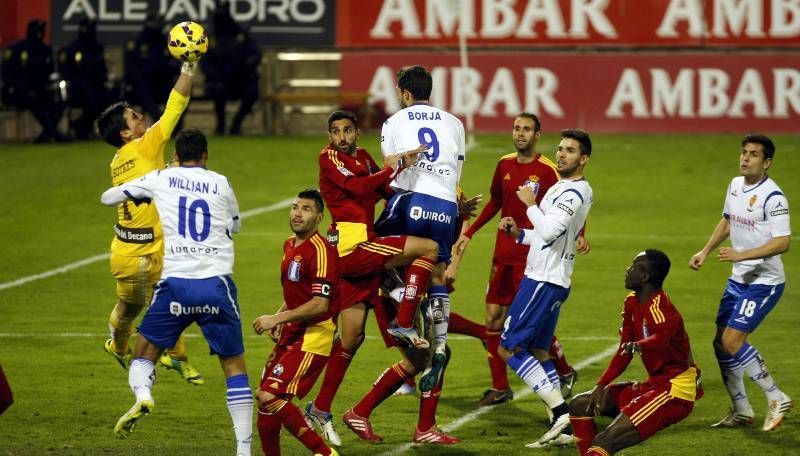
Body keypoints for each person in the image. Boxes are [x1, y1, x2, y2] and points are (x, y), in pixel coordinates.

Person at [305, 110, 455, 446]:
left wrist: (438, 197)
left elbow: (383, 189)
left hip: (364, 253)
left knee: (355, 339)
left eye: (347, 131)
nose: (342, 137)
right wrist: (394, 165)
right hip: (351, 248)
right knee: (429, 249)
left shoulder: (363, 156)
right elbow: (360, 187)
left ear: (357, 132)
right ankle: (403, 320)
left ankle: (326, 408)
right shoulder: (328, 157)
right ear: (329, 136)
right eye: (335, 131)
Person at [100, 129, 252, 456]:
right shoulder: (221, 182)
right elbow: (236, 225)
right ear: (206, 155)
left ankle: (143, 397)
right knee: (233, 366)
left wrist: (138, 191)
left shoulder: (161, 178)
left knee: (142, 354)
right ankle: (243, 449)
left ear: (177, 156)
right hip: (216, 285)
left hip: (175, 287)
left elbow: (107, 198)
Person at [450, 112, 582, 406]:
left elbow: (567, 205)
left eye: (527, 130)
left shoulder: (548, 170)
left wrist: (581, 233)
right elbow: (496, 201)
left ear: (537, 136)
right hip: (503, 255)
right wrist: (469, 231)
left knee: (529, 322)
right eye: (517, 128)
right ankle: (501, 387)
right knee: (493, 319)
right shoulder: (504, 164)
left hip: (533, 258)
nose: (520, 134)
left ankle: (563, 370)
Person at [96, 58, 202, 384]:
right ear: (126, 133)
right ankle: (120, 346)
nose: (141, 115)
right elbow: (175, 105)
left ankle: (177, 356)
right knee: (134, 310)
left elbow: (149, 182)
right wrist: (188, 68)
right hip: (137, 256)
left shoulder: (120, 159)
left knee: (177, 296)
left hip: (149, 245)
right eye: (133, 116)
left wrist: (167, 174)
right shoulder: (144, 145)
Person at [689, 134, 792, 431]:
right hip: (738, 279)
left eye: (754, 154)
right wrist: (705, 251)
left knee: (733, 341)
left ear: (767, 162)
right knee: (721, 343)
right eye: (744, 153)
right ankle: (741, 410)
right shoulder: (735, 185)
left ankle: (776, 397)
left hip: (764, 281)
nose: (746, 158)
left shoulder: (773, 197)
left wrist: (742, 253)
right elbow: (728, 220)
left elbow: (783, 242)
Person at [497, 129, 593, 446]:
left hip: (543, 281)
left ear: (584, 159)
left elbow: (550, 231)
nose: (562, 154)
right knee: (539, 350)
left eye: (571, 150)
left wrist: (528, 204)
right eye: (561, 148)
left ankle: (561, 411)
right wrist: (519, 234)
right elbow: (545, 236)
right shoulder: (564, 188)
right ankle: (562, 426)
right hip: (551, 279)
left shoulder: (574, 193)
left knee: (508, 347)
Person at [375, 64, 465, 385]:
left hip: (413, 200)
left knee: (370, 254)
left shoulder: (392, 122)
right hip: (446, 204)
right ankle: (440, 344)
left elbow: (391, 168)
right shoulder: (455, 123)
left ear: (405, 93)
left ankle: (403, 305)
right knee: (436, 272)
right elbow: (457, 171)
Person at [569, 250, 703, 455]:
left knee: (604, 441)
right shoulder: (632, 302)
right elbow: (624, 351)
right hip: (654, 384)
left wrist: (641, 344)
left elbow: (661, 338)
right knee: (581, 404)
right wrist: (600, 385)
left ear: (645, 277)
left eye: (633, 267)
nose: (627, 270)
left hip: (674, 391)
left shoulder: (661, 308)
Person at [252, 189, 339, 456]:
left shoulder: (321, 251)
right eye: (294, 207)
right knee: (265, 401)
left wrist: (276, 318)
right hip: (291, 333)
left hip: (314, 336)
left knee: (270, 396)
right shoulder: (289, 245)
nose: (297, 213)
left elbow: (320, 303)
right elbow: (296, 291)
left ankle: (324, 453)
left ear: (319, 217)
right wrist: (281, 314)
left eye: (306, 209)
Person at [1, 19, 68, 143]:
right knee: (32, 99)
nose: (40, 34)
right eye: (38, 30)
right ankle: (53, 132)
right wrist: (17, 86)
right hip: (20, 92)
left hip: (41, 90)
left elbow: (50, 73)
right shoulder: (18, 49)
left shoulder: (45, 50)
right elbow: (7, 73)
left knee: (61, 100)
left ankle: (47, 133)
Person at [201, 0, 260, 135]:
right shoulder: (210, 37)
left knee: (253, 91)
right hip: (219, 81)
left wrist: (245, 68)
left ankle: (236, 124)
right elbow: (204, 62)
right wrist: (217, 76)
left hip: (240, 81)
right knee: (217, 89)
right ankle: (221, 125)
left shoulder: (240, 34)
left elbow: (256, 54)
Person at [57, 15, 109, 139]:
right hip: (77, 89)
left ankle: (81, 126)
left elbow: (102, 70)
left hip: (97, 87)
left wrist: (103, 80)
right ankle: (81, 127)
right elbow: (67, 73)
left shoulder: (97, 47)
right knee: (91, 99)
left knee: (108, 99)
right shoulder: (72, 49)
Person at [123, 13, 181, 123]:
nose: (157, 25)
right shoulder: (138, 42)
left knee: (180, 94)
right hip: (143, 86)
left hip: (163, 84)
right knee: (144, 91)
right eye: (155, 23)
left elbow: (174, 65)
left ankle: (174, 125)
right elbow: (132, 70)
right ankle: (161, 122)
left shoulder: (166, 42)